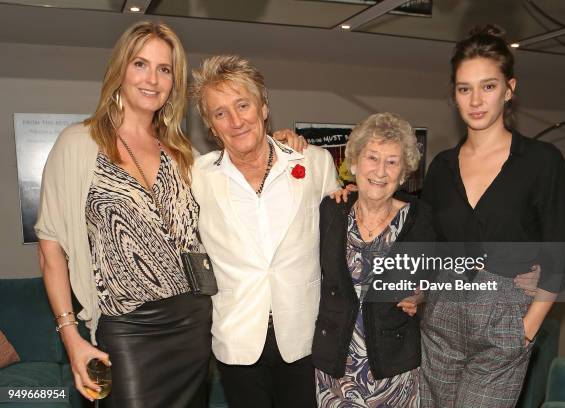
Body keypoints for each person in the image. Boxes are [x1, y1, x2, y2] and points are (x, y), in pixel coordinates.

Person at [36, 21, 212, 407]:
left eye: (164, 69)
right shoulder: (79, 144)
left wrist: (286, 149)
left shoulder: (185, 156)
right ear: (120, 70)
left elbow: (239, 189)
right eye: (140, 64)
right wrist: (71, 338)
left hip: (194, 326)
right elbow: (51, 250)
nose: (153, 79)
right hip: (127, 330)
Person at [419, 25, 565, 408]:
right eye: (464, 88)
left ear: (509, 89)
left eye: (488, 86)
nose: (476, 100)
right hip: (441, 321)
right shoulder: (441, 167)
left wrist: (528, 328)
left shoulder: (542, 162)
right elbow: (428, 239)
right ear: (454, 95)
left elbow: (560, 253)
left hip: (505, 323)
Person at [189, 55, 340, 408]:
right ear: (211, 126)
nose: (236, 121)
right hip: (237, 339)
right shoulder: (196, 177)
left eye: (243, 105)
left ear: (264, 108)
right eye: (220, 113)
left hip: (304, 336)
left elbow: (341, 248)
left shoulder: (314, 164)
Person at [312, 112, 435, 407]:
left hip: (394, 371)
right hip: (335, 370)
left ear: (403, 173)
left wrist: (424, 293)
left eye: (392, 162)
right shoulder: (332, 210)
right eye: (372, 158)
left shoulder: (420, 219)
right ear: (354, 163)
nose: (380, 171)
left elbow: (441, 272)